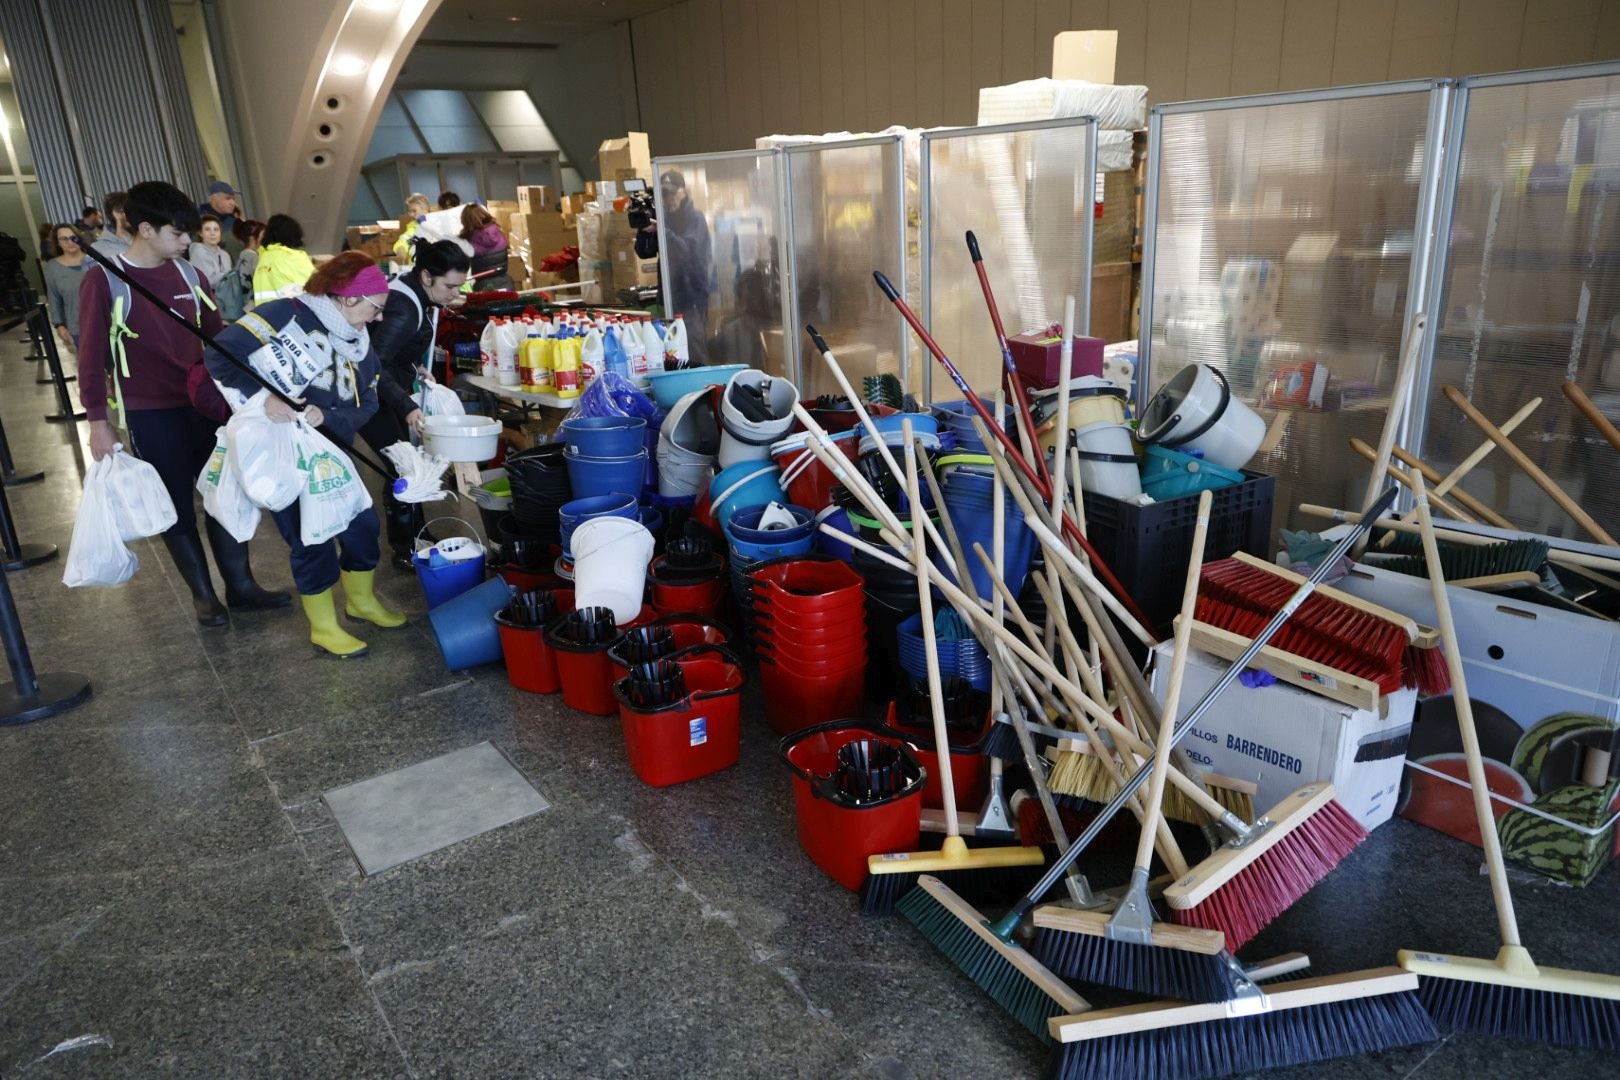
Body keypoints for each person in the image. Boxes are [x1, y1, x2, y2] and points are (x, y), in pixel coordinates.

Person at [77, 180, 287, 624]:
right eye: (179, 233)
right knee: (175, 504)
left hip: (206, 405)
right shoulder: (105, 279)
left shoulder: (189, 274)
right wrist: (98, 420)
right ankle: (203, 595)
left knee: (225, 493)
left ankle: (242, 586)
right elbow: (91, 355)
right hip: (150, 410)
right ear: (147, 229)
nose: (187, 241)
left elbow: (220, 338)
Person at [205, 252, 403, 658]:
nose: (379, 318)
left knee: (361, 524)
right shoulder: (285, 313)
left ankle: (360, 602)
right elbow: (220, 354)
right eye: (376, 308)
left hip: (333, 446)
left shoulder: (360, 340)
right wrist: (266, 401)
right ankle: (324, 626)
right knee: (309, 536)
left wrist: (331, 416)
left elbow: (368, 397)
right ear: (350, 298)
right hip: (283, 446)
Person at [360, 239, 470, 568]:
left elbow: (391, 351)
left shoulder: (412, 292)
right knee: (402, 464)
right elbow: (372, 365)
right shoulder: (406, 307)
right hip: (366, 393)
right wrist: (406, 405)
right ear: (426, 276)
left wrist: (415, 368)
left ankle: (416, 537)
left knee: (410, 464)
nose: (454, 293)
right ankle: (405, 549)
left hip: (386, 384)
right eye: (450, 285)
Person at [647, 169, 713, 363]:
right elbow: (644, 251)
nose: (670, 198)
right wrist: (645, 231)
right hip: (669, 298)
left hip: (691, 298)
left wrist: (662, 231)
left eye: (673, 192)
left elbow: (687, 251)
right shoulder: (664, 219)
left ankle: (706, 390)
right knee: (672, 354)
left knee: (694, 350)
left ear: (684, 191)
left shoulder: (696, 219)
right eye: (664, 194)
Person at [44, 224, 90, 352]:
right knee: (92, 368)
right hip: (78, 326)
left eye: (73, 237)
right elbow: (54, 298)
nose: (70, 242)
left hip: (108, 322)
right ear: (57, 243)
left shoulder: (94, 261)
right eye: (64, 239)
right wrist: (59, 325)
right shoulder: (53, 267)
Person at [252, 213, 315, 306]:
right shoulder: (293, 257)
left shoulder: (263, 259)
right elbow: (316, 287)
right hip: (293, 316)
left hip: (266, 317)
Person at [460, 203, 513, 291]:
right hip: (507, 284)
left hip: (484, 289)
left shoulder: (469, 242)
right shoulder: (498, 233)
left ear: (466, 221)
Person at [90, 192, 132, 260]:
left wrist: (129, 240)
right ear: (115, 214)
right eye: (121, 211)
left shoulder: (146, 236)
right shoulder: (98, 248)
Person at [392, 193, 432, 263]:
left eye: (414, 211)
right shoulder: (414, 228)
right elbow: (408, 240)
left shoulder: (438, 225)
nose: (411, 214)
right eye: (409, 211)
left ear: (426, 209)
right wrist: (401, 248)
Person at [234, 219, 265, 284]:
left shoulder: (244, 254)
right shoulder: (252, 256)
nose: (264, 238)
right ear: (252, 238)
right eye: (262, 235)